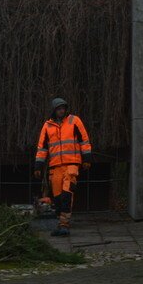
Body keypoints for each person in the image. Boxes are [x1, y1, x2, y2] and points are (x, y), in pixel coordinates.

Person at [33, 97, 92, 236]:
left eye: (63, 108)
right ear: (54, 110)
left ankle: (64, 224)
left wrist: (87, 158)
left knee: (67, 195)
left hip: (71, 165)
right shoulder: (47, 126)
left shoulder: (74, 121)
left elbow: (84, 141)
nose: (62, 111)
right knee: (58, 199)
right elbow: (42, 148)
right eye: (59, 109)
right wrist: (38, 166)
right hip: (55, 168)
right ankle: (61, 224)